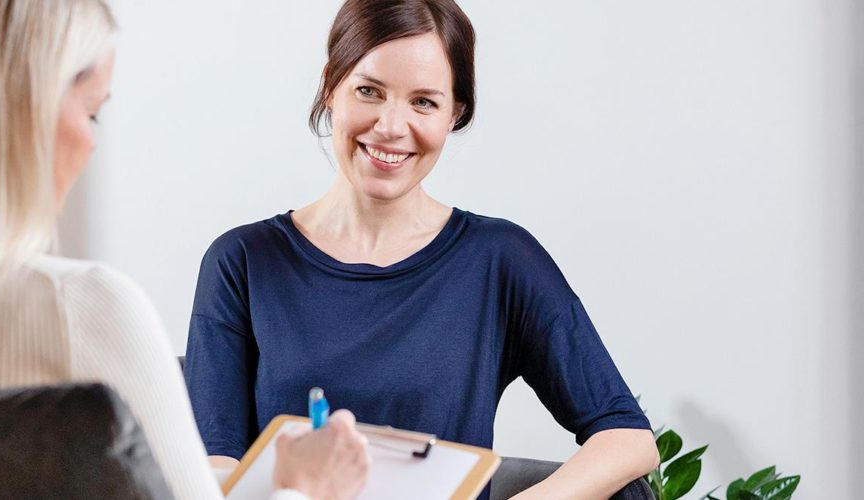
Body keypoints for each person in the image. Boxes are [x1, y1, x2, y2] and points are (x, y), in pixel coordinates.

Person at [0, 1, 369, 499]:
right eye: (92, 111)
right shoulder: (82, 306)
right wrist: (303, 486)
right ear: (27, 113)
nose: (93, 142)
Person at [183, 0, 658, 498]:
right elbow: (214, 467)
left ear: (454, 113)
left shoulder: (499, 260)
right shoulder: (242, 261)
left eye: (423, 102)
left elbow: (627, 437)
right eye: (369, 91)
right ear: (330, 86)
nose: (391, 126)